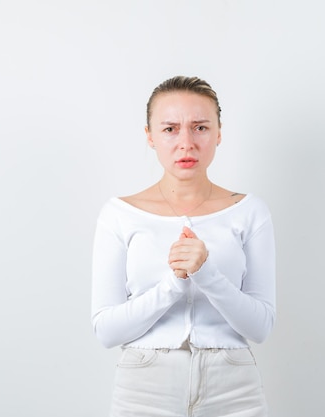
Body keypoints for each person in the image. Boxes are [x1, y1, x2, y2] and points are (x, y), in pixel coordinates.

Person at [91, 75, 276, 417]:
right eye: (170, 129)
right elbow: (107, 330)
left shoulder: (250, 211)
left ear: (219, 133)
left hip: (234, 389)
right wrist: (174, 285)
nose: (186, 143)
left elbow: (260, 327)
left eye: (200, 127)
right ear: (150, 136)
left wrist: (207, 274)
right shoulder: (119, 214)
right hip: (143, 390)